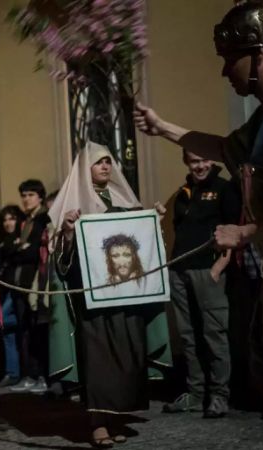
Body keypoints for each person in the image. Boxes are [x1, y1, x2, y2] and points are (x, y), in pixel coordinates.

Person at [134, 2, 263, 446]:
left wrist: (241, 234)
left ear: (257, 55)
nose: (224, 72)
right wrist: (164, 129)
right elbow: (224, 148)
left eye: (228, 59)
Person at [48, 142, 171, 448]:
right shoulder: (72, 207)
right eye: (98, 162)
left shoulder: (123, 200)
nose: (105, 166)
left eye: (108, 161)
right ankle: (97, 422)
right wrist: (67, 233)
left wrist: (153, 220)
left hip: (126, 297)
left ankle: (117, 417)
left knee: (127, 356)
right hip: (93, 300)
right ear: (85, 168)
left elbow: (140, 242)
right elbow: (61, 264)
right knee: (99, 361)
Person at [161, 151, 240, 418]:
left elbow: (233, 232)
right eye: (194, 161)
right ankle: (195, 394)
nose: (201, 165)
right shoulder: (183, 193)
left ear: (213, 161)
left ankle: (219, 396)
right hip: (179, 272)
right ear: (186, 162)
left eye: (205, 159)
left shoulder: (225, 189)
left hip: (208, 271)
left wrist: (218, 269)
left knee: (213, 334)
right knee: (187, 335)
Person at [13, 179, 52, 394]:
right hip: (21, 283)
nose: (26, 199)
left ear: (40, 197)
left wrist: (21, 248)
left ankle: (42, 375)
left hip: (36, 283)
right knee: (25, 332)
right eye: (24, 195)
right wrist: (19, 247)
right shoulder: (26, 220)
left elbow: (33, 251)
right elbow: (13, 248)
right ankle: (31, 374)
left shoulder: (42, 219)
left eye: (30, 195)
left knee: (38, 331)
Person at [0, 205, 24, 387]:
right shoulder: (3, 240)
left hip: (14, 290)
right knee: (7, 333)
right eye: (6, 219)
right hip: (2, 291)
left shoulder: (20, 238)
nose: (8, 223)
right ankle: (13, 373)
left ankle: (21, 321)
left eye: (12, 218)